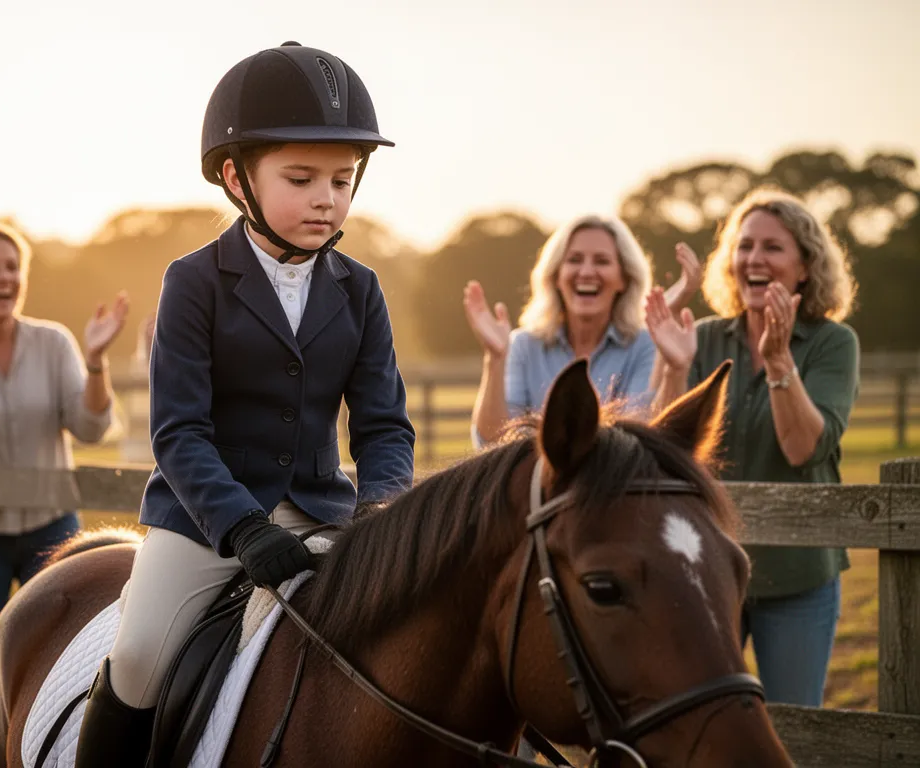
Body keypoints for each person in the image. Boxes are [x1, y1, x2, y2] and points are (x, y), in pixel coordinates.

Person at [73, 42, 416, 767]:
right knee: (136, 657)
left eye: (343, 179)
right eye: (302, 178)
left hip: (325, 513)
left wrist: (383, 516)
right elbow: (180, 432)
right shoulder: (193, 281)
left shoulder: (360, 290)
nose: (327, 198)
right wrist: (244, 527)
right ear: (236, 177)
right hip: (204, 519)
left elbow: (384, 427)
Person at [645, 186, 859, 706]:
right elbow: (661, 447)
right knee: (697, 722)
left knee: (789, 725)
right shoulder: (705, 337)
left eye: (772, 247)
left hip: (798, 579)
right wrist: (675, 367)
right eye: (744, 247)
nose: (754, 259)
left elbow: (803, 450)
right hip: (708, 572)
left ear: (805, 267)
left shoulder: (834, 344)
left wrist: (781, 361)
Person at [0, 220, 128, 626]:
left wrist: (96, 363)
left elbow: (90, 429)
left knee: (56, 647)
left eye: (13, 267)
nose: (5, 277)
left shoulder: (53, 342)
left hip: (52, 524)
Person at [464, 214, 701, 446]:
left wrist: (674, 368)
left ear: (624, 279)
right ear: (556, 276)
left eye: (602, 261)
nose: (586, 272)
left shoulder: (645, 344)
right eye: (574, 260)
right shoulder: (523, 344)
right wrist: (494, 359)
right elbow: (490, 442)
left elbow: (638, 440)